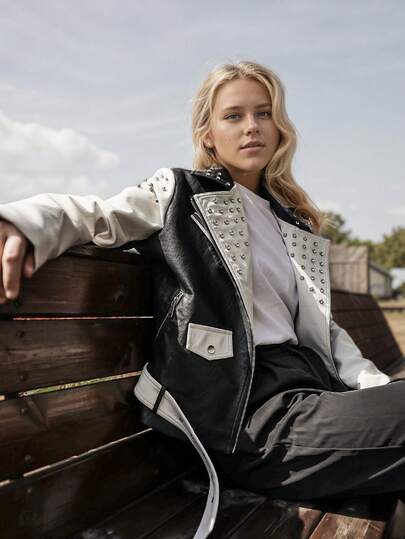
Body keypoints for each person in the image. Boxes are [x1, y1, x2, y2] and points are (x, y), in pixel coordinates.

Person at [0, 60, 404, 538]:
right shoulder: (181, 194)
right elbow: (95, 215)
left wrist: (377, 389)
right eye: (233, 115)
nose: (252, 126)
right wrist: (21, 222)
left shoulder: (291, 223)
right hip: (252, 419)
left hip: (313, 394)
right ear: (208, 134)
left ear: (279, 127)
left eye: (264, 113)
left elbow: (326, 330)